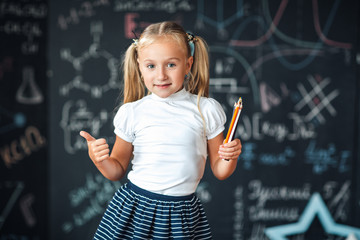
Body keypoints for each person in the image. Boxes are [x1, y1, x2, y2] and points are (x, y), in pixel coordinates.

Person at [80, 21, 242, 240]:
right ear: (139, 66)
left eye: (171, 65)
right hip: (135, 210)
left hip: (182, 215)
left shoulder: (206, 109)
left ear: (188, 64)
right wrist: (99, 160)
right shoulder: (132, 112)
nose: (161, 75)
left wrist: (230, 157)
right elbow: (116, 170)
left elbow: (221, 171)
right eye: (151, 66)